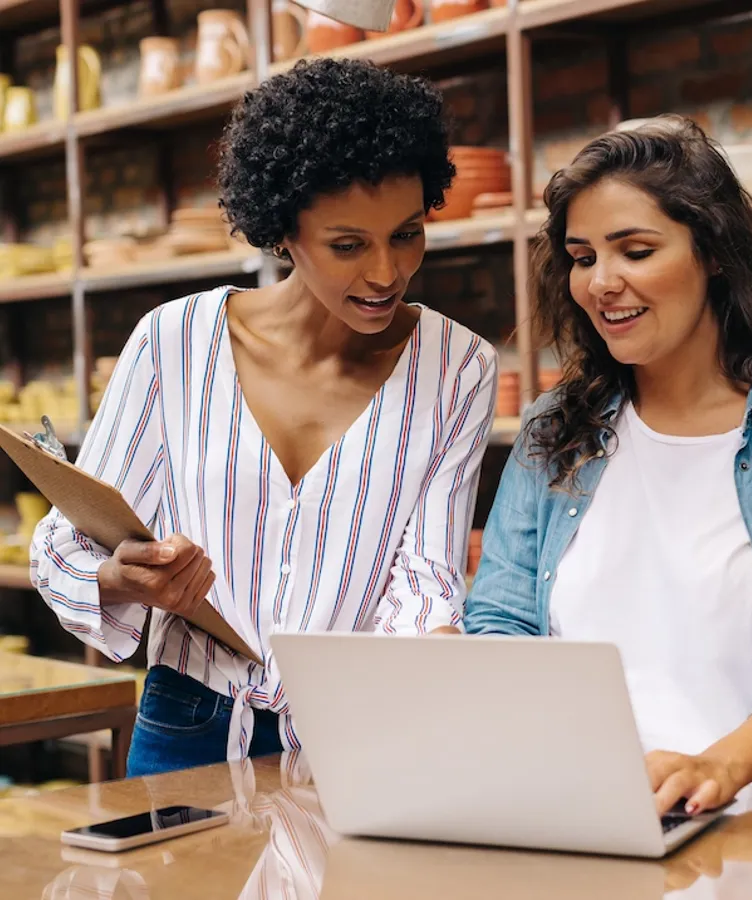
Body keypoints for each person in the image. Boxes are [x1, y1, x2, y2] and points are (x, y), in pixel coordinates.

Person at [31, 58, 497, 776]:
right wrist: (128, 580)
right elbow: (70, 541)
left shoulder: (457, 366)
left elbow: (425, 578)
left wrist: (444, 673)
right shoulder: (174, 342)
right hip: (187, 721)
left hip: (360, 734)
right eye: (348, 245)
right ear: (283, 231)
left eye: (406, 233)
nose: (384, 272)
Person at [465, 115, 752, 819]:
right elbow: (501, 622)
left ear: (712, 252)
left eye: (634, 250)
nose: (602, 283)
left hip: (735, 828)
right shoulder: (556, 429)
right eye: (581, 256)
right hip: (573, 817)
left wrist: (718, 766)